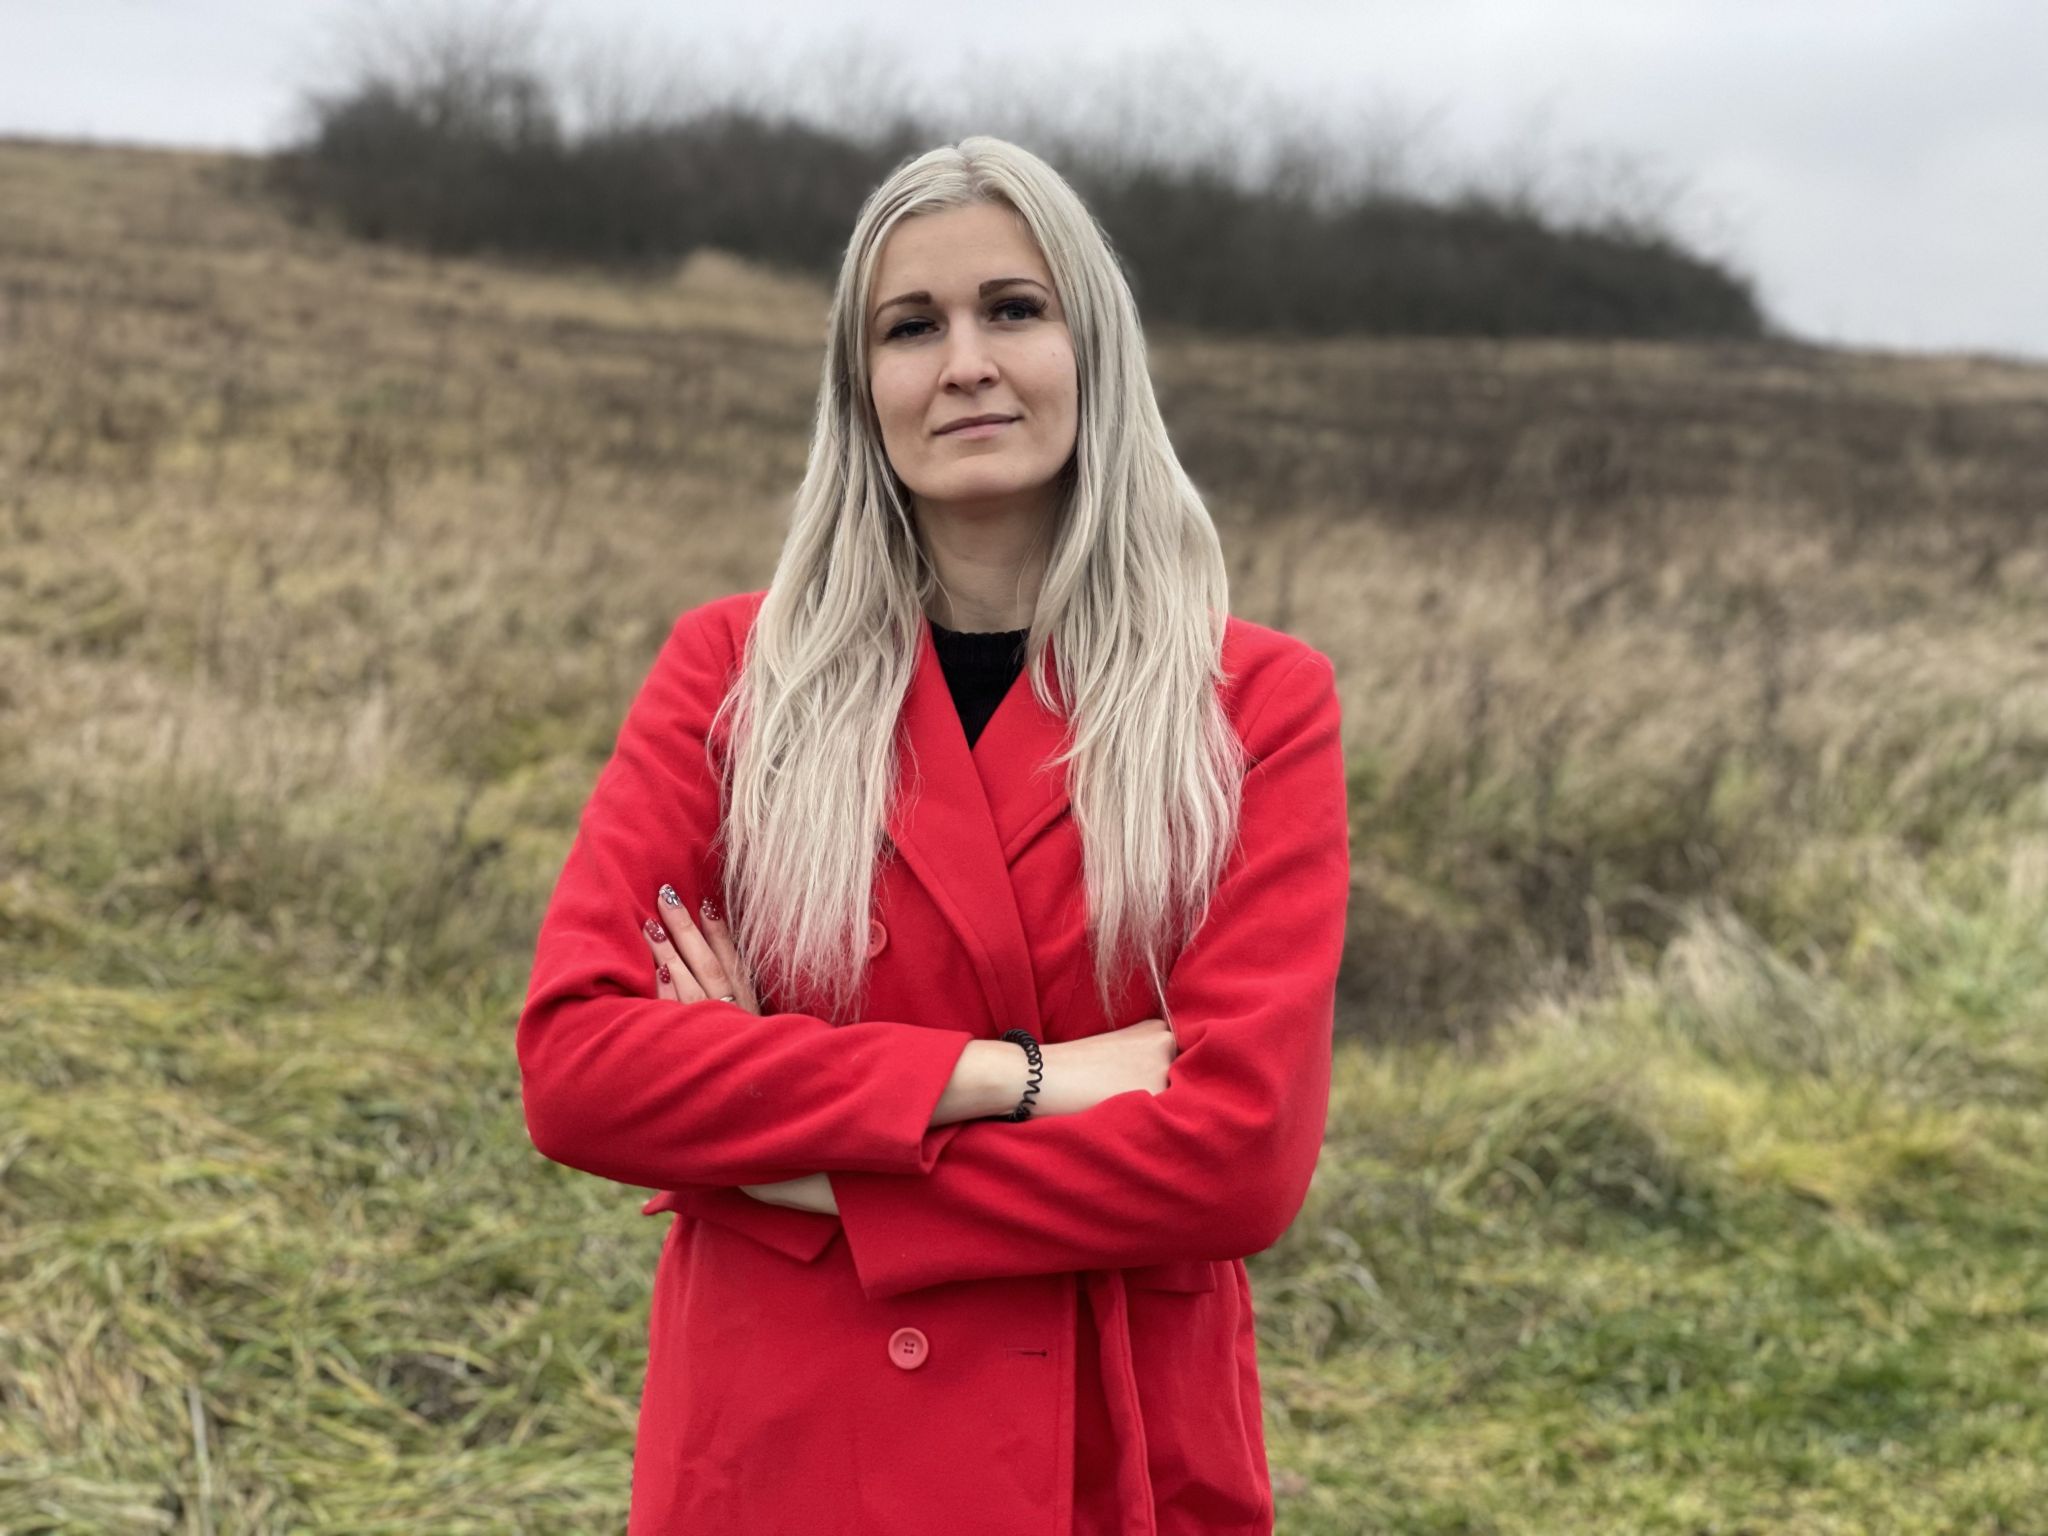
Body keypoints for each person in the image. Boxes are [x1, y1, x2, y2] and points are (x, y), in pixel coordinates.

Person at [516, 134, 1350, 1536]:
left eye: (1013, 309)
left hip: (1110, 1454)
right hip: (785, 1446)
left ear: (1094, 348)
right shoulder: (734, 677)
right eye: (911, 327)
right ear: (863, 388)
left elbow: (1238, 1159)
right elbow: (581, 1070)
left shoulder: (1251, 701)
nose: (965, 362)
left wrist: (791, 1170)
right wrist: (1025, 1079)